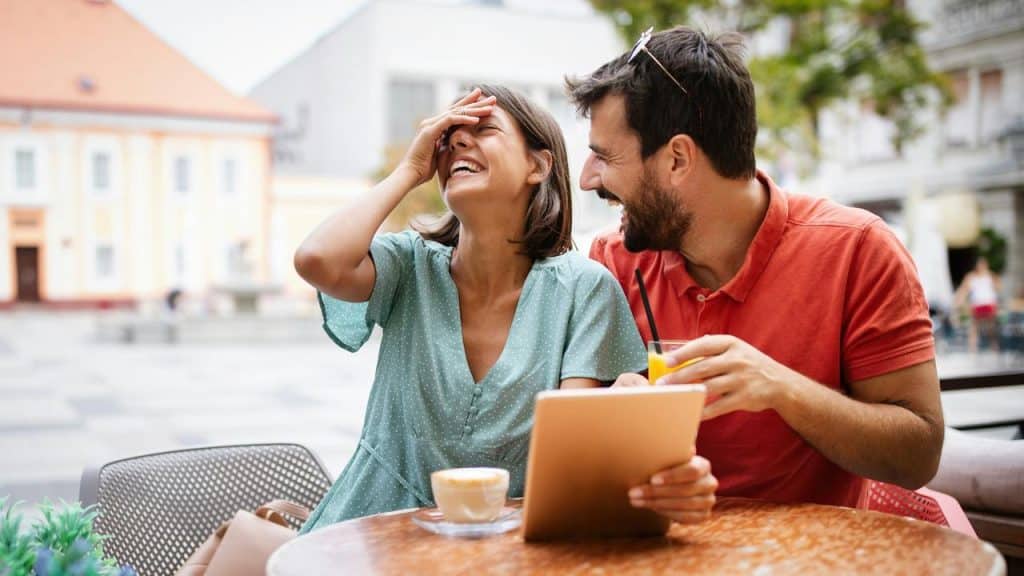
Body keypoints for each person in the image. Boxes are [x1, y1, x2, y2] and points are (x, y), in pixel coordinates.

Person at [566, 26, 944, 519]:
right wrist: (609, 426)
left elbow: (919, 454)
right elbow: (581, 464)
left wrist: (780, 388)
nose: (587, 178)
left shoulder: (859, 250)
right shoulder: (614, 261)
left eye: (606, 156)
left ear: (678, 158)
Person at [293, 85, 647, 530]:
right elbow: (316, 260)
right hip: (366, 534)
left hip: (502, 550)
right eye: (450, 136)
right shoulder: (409, 266)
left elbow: (565, 456)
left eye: (484, 129)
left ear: (537, 166)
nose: (458, 141)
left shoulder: (584, 289)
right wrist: (410, 169)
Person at [954, 256, 1002, 352]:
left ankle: (994, 347)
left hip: (988, 304)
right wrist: (959, 301)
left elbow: (998, 288)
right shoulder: (971, 277)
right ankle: (973, 349)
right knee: (974, 327)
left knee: (991, 328)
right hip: (978, 305)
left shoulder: (990, 276)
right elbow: (964, 290)